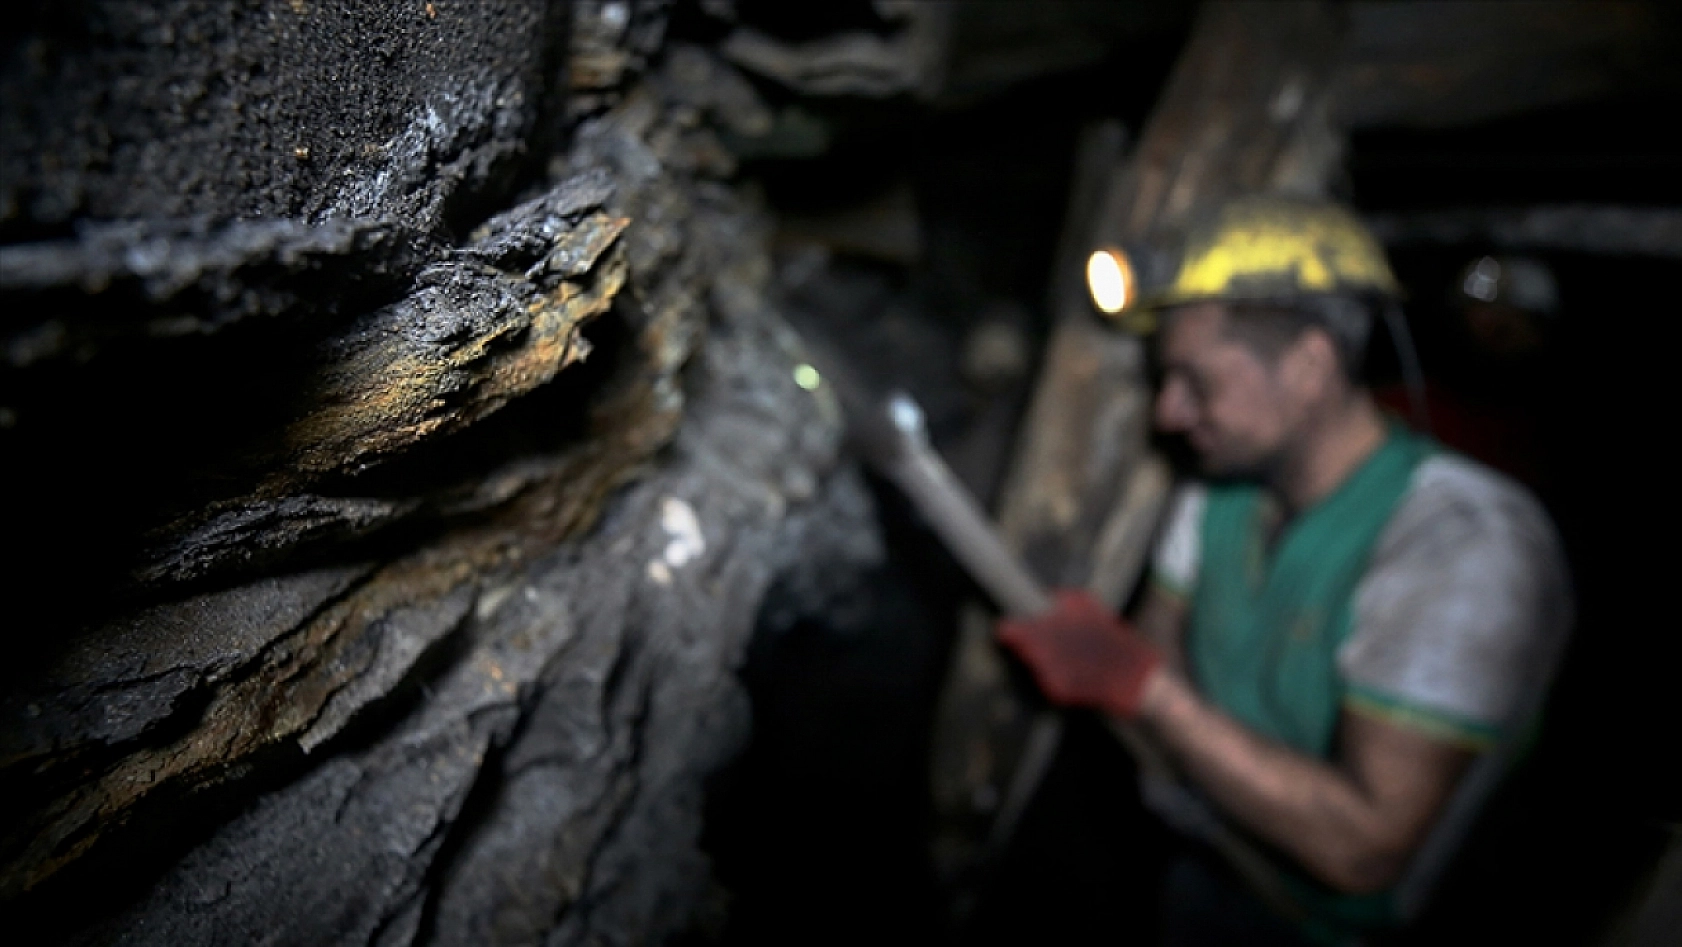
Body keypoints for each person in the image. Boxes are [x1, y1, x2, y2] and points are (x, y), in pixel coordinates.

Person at [996, 198, 1573, 946]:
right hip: (1209, 864)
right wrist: (1153, 689)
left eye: (1196, 381)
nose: (1168, 413)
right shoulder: (1220, 490)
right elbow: (1161, 635)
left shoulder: (1463, 544)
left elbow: (1362, 848)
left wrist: (1148, 692)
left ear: (1309, 368)